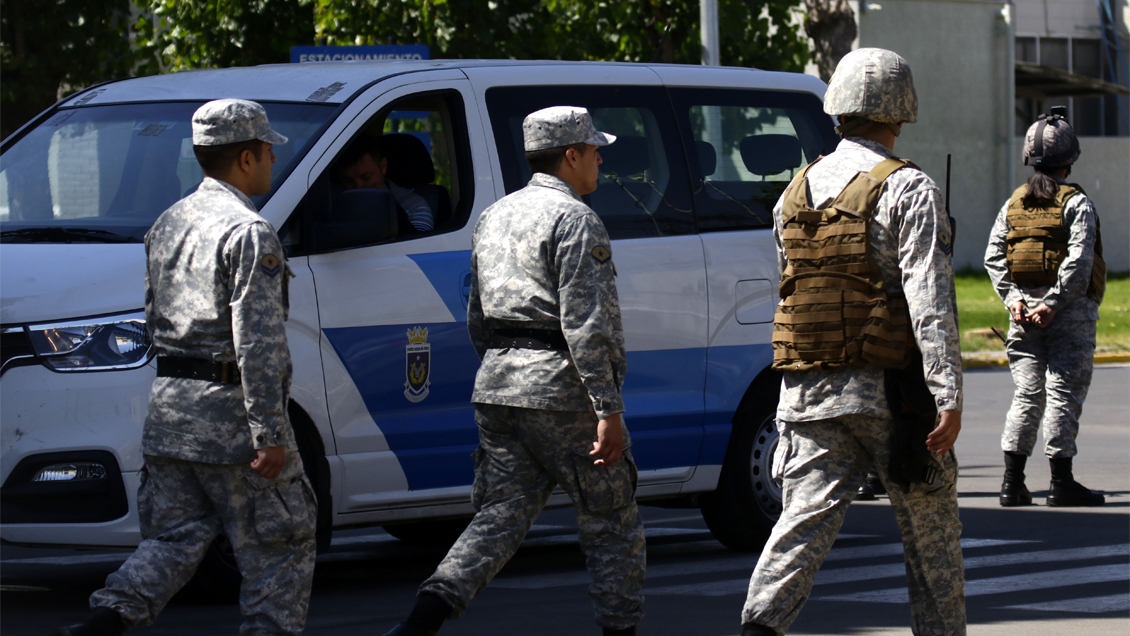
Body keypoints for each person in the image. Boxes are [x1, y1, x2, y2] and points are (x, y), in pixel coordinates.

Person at [52, 99, 317, 636]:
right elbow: (259, 342)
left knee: (172, 541)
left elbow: (153, 318)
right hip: (233, 422)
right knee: (280, 548)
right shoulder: (248, 231)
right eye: (267, 150)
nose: (271, 159)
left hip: (171, 413)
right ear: (246, 158)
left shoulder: (168, 222)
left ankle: (101, 624)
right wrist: (269, 431)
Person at [381, 106, 645, 636]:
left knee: (499, 516)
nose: (599, 159)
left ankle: (422, 619)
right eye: (594, 150)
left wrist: (506, 368)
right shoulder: (574, 219)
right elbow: (588, 325)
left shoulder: (495, 215)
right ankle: (621, 629)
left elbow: (478, 314)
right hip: (561, 389)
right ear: (571, 156)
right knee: (611, 518)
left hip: (499, 386)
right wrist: (608, 408)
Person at [740, 48, 966, 636]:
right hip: (891, 399)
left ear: (838, 109)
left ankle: (758, 627)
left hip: (805, 394)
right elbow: (929, 300)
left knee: (799, 528)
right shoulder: (909, 188)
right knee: (931, 538)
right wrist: (948, 393)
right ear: (901, 110)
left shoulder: (792, 193)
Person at [983, 107, 1106, 508]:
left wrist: (1016, 301)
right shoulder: (1077, 204)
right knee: (1062, 394)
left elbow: (994, 257)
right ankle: (1061, 482)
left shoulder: (1013, 204)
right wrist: (1052, 304)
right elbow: (1079, 262)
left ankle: (1011, 483)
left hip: (1022, 316)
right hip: (1068, 315)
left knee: (1027, 396)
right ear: (1070, 159)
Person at [337, 136, 435, 232]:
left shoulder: (414, 206)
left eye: (366, 177)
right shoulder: (333, 204)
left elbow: (417, 245)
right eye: (349, 181)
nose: (358, 187)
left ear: (383, 166)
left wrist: (389, 205)